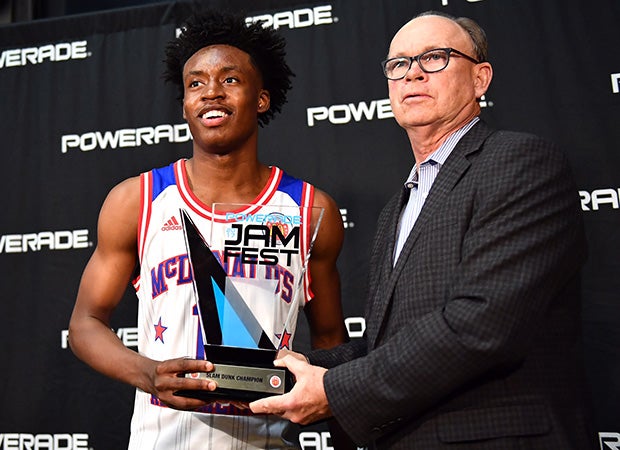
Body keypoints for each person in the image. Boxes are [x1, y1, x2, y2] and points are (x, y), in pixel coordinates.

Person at [250, 10, 596, 449]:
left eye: (434, 58)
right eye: (399, 64)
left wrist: (333, 391)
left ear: (480, 79)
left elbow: (482, 324)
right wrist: (283, 371)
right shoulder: (399, 204)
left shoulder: (519, 162)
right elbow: (385, 344)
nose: (412, 74)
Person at [68, 9, 350, 450]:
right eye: (195, 83)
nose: (210, 93)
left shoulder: (310, 210)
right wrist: (148, 374)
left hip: (270, 440)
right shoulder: (136, 200)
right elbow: (84, 323)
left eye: (230, 80)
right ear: (183, 104)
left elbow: (332, 342)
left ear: (262, 98)